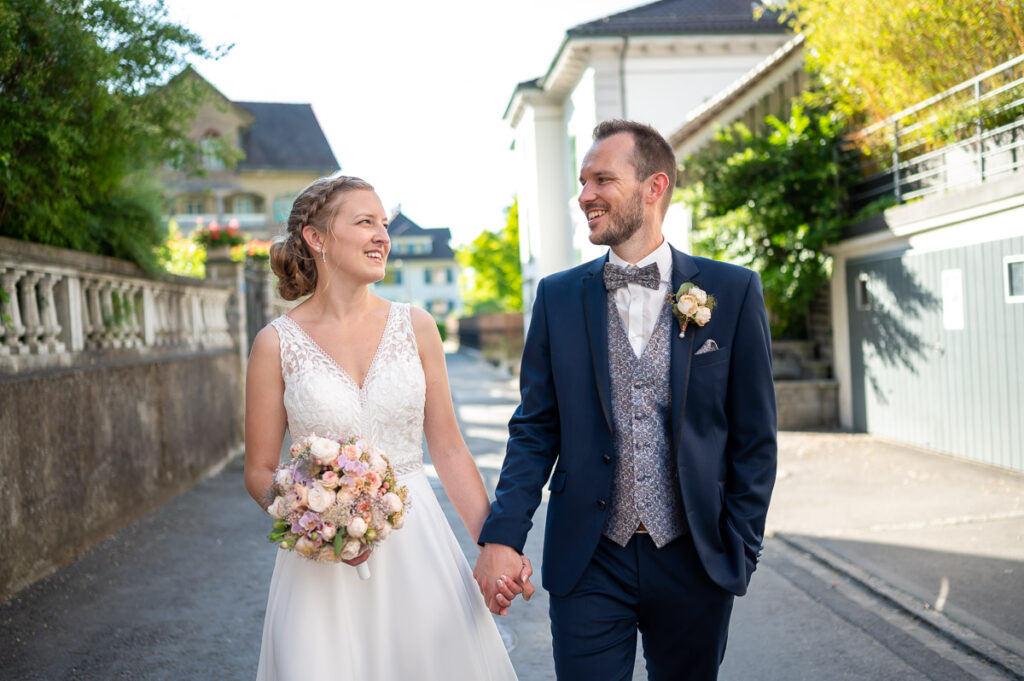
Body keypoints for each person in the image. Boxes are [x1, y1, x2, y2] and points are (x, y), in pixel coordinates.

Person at [473, 120, 777, 680]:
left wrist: (740, 548)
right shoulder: (558, 297)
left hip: (696, 558)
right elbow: (535, 429)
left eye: (602, 179)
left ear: (653, 187)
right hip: (589, 560)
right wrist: (502, 535)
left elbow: (755, 437)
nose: (584, 195)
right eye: (583, 181)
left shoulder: (732, 291)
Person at [244, 175, 528, 681]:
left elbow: (450, 451)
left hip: (417, 548)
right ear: (317, 238)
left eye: (383, 224)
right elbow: (261, 469)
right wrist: (318, 522)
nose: (382, 235)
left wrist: (496, 546)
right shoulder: (275, 343)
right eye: (364, 222)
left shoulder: (416, 325)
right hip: (319, 567)